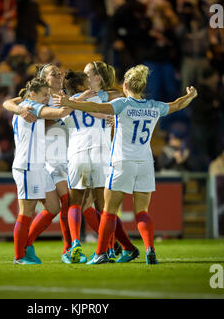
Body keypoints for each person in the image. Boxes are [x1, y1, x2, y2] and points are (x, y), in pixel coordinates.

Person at [54, 65, 198, 264]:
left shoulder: (123, 104)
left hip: (122, 162)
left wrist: (70, 102)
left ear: (127, 85)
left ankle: (102, 253)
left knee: (108, 212)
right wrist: (190, 96)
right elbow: (176, 105)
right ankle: (149, 250)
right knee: (142, 212)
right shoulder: (155, 106)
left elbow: (95, 107)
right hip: (146, 163)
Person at [61, 70, 137, 263]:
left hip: (78, 152)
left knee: (75, 203)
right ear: (81, 85)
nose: (90, 83)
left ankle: (76, 242)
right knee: (106, 208)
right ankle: (109, 248)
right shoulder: (100, 96)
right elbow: (117, 95)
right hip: (102, 153)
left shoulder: (66, 102)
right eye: (86, 80)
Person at [2, 64, 72, 260]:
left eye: (47, 96)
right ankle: (19, 255)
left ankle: (27, 246)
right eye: (44, 95)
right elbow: (59, 114)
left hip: (39, 166)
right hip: (27, 166)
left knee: (53, 207)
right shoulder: (33, 106)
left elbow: (8, 103)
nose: (46, 99)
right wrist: (78, 102)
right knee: (26, 212)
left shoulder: (26, 105)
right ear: (32, 95)